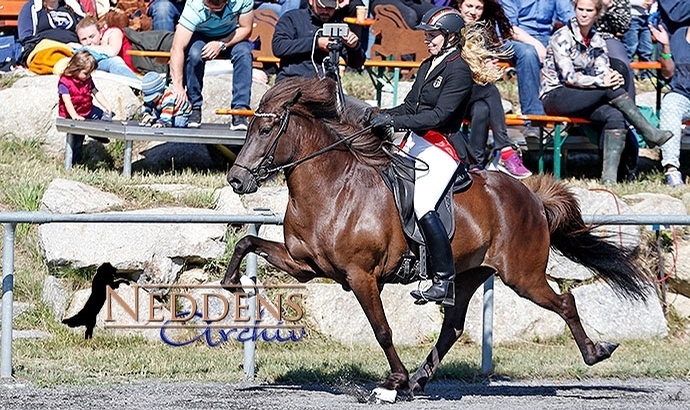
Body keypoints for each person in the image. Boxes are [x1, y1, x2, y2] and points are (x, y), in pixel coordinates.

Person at [369, 7, 473, 307]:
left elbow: (440, 115)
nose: (427, 38)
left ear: (450, 37)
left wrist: (395, 123)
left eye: (433, 34)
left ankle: (443, 280)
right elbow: (411, 106)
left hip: (443, 147)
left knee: (424, 204)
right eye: (426, 34)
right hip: (417, 141)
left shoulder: (459, 70)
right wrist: (380, 114)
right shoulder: (429, 64)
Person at [540, 0, 672, 184]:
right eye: (580, 9)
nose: (584, 14)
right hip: (556, 95)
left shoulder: (597, 39)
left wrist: (612, 76)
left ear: (597, 13)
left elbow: (603, 70)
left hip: (586, 94)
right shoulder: (561, 36)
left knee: (614, 115)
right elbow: (569, 76)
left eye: (589, 10)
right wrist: (603, 81)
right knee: (608, 88)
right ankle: (648, 131)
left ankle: (609, 179)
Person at [451, 0, 531, 178]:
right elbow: (453, 68)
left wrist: (488, 68)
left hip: (470, 97)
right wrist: (478, 69)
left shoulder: (483, 32)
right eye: (469, 6)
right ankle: (505, 148)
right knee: (490, 90)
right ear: (460, 6)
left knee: (483, 108)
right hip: (451, 95)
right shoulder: (451, 28)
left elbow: (483, 69)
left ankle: (475, 165)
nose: (473, 12)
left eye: (478, 8)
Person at [169, 0, 254, 129]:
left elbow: (246, 28)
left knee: (244, 53)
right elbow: (177, 48)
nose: (210, 11)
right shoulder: (194, 6)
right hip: (200, 34)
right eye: (207, 7)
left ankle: (240, 111)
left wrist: (221, 44)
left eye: (215, 8)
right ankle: (194, 106)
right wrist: (178, 85)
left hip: (230, 34)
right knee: (194, 54)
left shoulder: (242, 1)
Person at [500, 0, 575, 139]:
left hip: (546, 36)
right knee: (528, 54)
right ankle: (534, 119)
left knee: (574, 52)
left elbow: (570, 17)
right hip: (514, 37)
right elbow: (509, 26)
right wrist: (535, 43)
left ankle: (575, 117)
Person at [272, 0, 366, 83]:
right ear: (311, 1)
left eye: (330, 7)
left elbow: (356, 63)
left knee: (360, 104)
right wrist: (316, 43)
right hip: (292, 81)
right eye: (321, 6)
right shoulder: (292, 18)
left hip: (326, 86)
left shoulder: (337, 24)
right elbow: (279, 47)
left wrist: (354, 47)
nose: (325, 11)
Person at [649, 21, 689, 186]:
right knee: (670, 103)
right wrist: (665, 47)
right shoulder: (679, 35)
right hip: (683, 95)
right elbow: (668, 73)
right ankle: (672, 169)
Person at [58, 50, 114, 165]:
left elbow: (96, 92)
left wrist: (107, 105)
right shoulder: (65, 82)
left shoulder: (87, 79)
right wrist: (74, 115)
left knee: (105, 117)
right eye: (85, 73)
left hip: (88, 109)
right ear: (75, 69)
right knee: (77, 140)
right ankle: (74, 162)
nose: (88, 76)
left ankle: (96, 133)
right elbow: (67, 101)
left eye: (90, 73)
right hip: (73, 113)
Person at [73, 15, 140, 81]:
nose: (89, 42)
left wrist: (86, 47)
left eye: (92, 36)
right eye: (83, 39)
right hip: (104, 66)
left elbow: (112, 52)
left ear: (100, 32)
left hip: (132, 69)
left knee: (115, 59)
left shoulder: (113, 32)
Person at [18, 0, 84, 45]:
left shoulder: (74, 7)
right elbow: (25, 38)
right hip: (45, 50)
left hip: (74, 49)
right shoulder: (32, 8)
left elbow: (87, 27)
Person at [624, 0, 658, 78]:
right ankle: (629, 77)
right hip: (632, 16)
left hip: (647, 17)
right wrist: (639, 3)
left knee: (647, 49)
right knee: (630, 48)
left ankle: (646, 76)